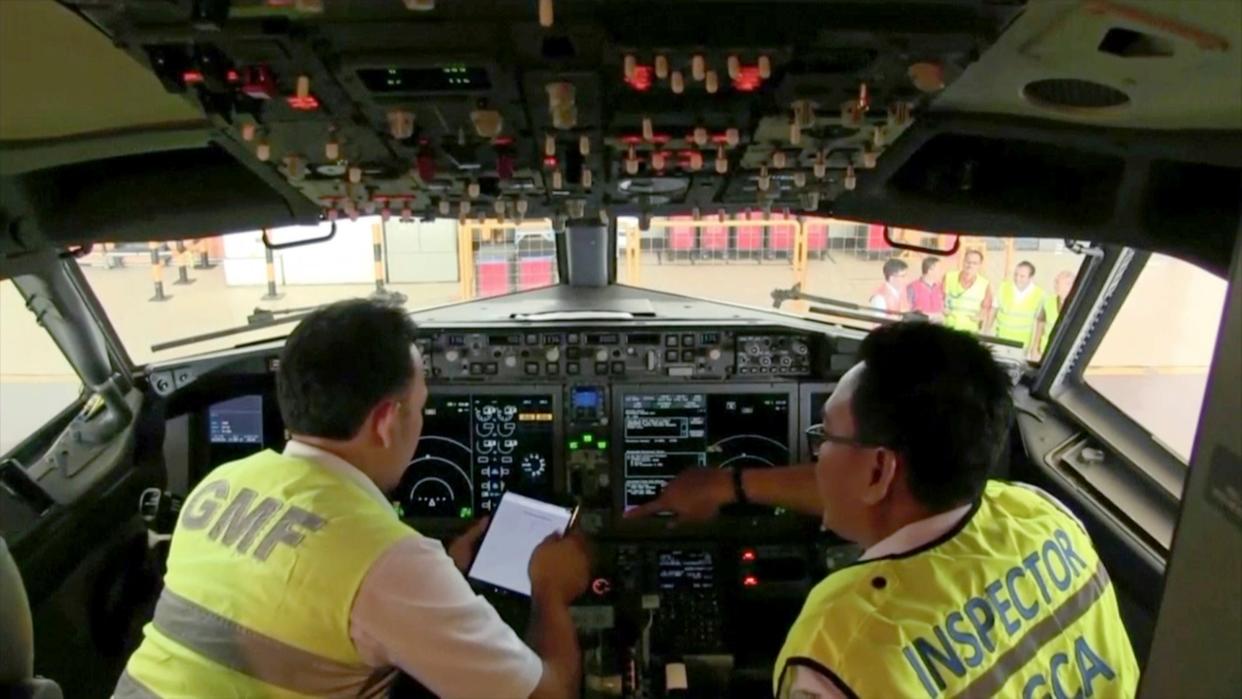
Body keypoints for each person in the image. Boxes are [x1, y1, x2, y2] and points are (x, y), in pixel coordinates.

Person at [627, 322, 1139, 698]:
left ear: (877, 470)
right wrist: (728, 485)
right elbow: (863, 488)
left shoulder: (844, 645)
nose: (816, 455)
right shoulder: (1045, 516)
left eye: (824, 437)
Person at [115, 300, 589, 699]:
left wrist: (441, 573)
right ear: (385, 421)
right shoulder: (386, 561)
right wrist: (550, 588)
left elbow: (304, 588)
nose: (420, 423)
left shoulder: (221, 483)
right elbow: (545, 694)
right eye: (420, 408)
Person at [988, 260, 1047, 356]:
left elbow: (1041, 322)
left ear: (1031, 278)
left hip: (1021, 344)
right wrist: (987, 330)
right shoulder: (1004, 287)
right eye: (1015, 274)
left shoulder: (1039, 294)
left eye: (1022, 276)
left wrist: (1035, 347)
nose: (1017, 278)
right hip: (1000, 340)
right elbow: (994, 309)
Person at [943, 249, 992, 332]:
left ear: (980, 265)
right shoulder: (949, 277)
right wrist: (942, 308)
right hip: (949, 329)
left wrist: (980, 316)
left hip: (970, 331)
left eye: (974, 263)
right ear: (963, 261)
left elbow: (986, 308)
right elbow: (938, 298)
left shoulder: (984, 284)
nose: (970, 265)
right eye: (968, 261)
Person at [1037, 270, 1077, 358]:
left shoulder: (1079, 304)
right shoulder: (1048, 301)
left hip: (1067, 352)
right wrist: (1035, 349)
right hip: (1046, 350)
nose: (1056, 286)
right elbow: (1040, 325)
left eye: (1058, 283)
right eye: (1056, 283)